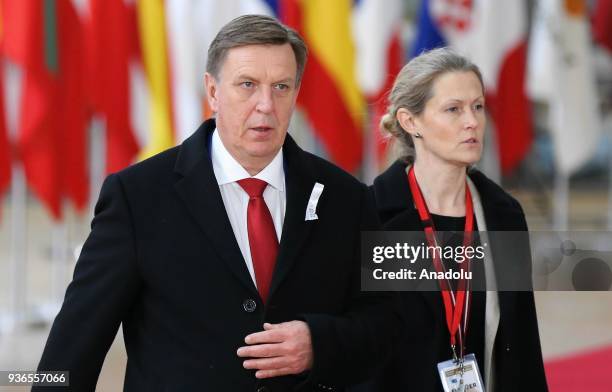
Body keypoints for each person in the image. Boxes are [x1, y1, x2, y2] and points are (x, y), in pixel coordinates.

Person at [34, 15, 400, 391]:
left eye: (281, 87)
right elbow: (73, 347)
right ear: (212, 91)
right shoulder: (138, 197)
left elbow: (386, 323)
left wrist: (319, 342)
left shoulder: (346, 196)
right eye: (247, 85)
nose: (265, 105)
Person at [368, 48, 548, 391]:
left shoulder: (503, 214)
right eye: (454, 109)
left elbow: (523, 341)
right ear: (410, 121)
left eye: (477, 107)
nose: (472, 122)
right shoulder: (371, 215)